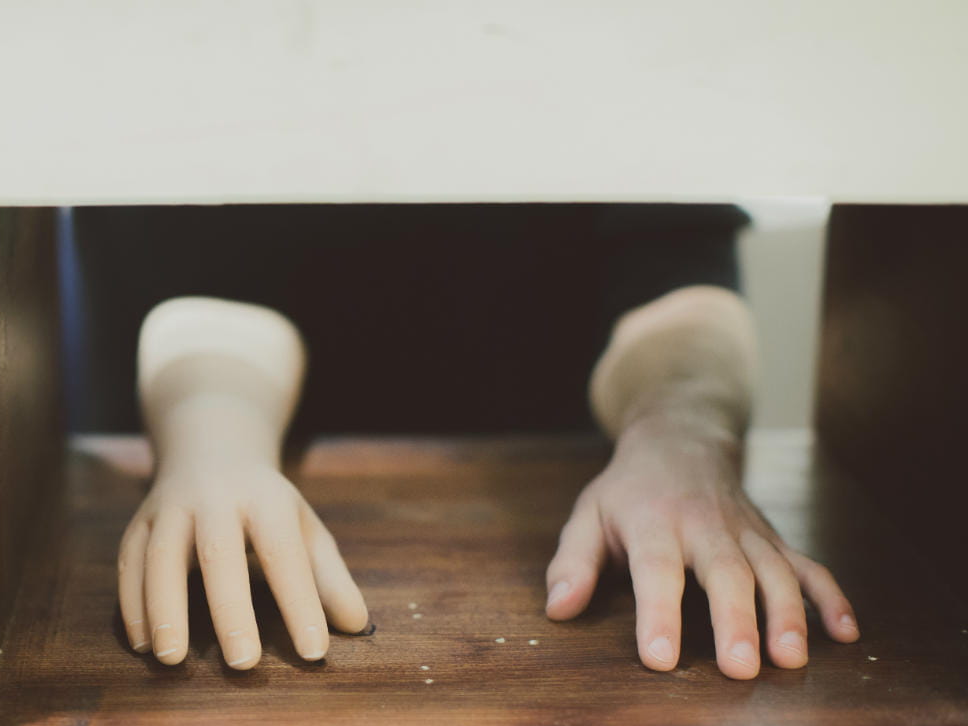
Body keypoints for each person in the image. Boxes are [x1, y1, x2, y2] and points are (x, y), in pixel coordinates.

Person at [72, 203, 860, 680]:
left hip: (569, 494)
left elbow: (673, 279)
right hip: (234, 432)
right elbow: (205, 283)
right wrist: (212, 439)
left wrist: (679, 436)